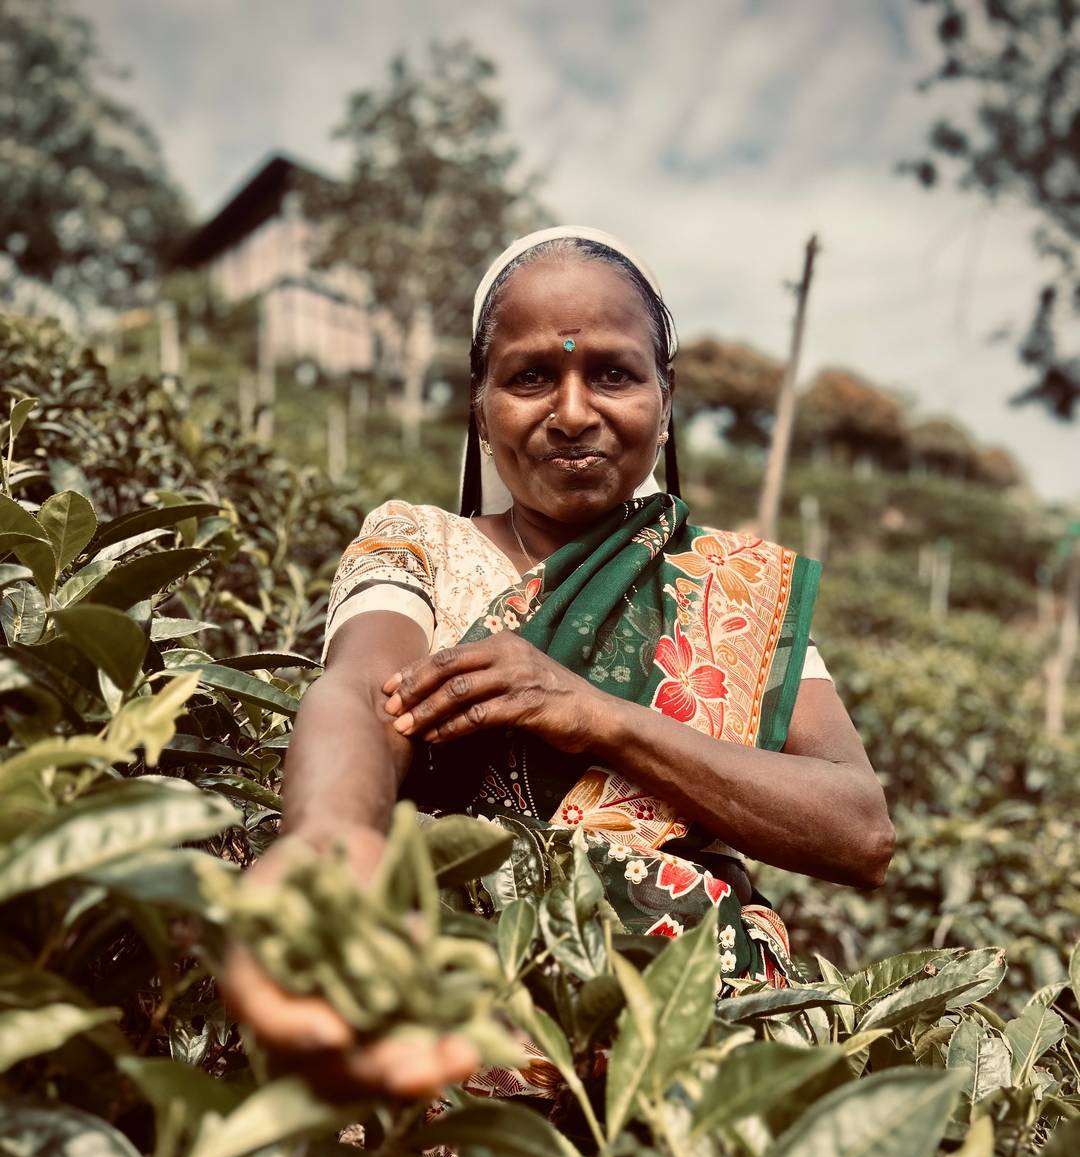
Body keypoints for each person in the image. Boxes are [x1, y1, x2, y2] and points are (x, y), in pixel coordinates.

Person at [224, 225, 895, 1098]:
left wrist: (600, 717)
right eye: (531, 376)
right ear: (481, 405)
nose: (573, 412)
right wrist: (329, 838)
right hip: (460, 1027)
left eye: (612, 373)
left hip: (691, 1052)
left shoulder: (733, 592)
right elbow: (361, 690)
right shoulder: (420, 546)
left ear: (665, 397)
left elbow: (860, 830)